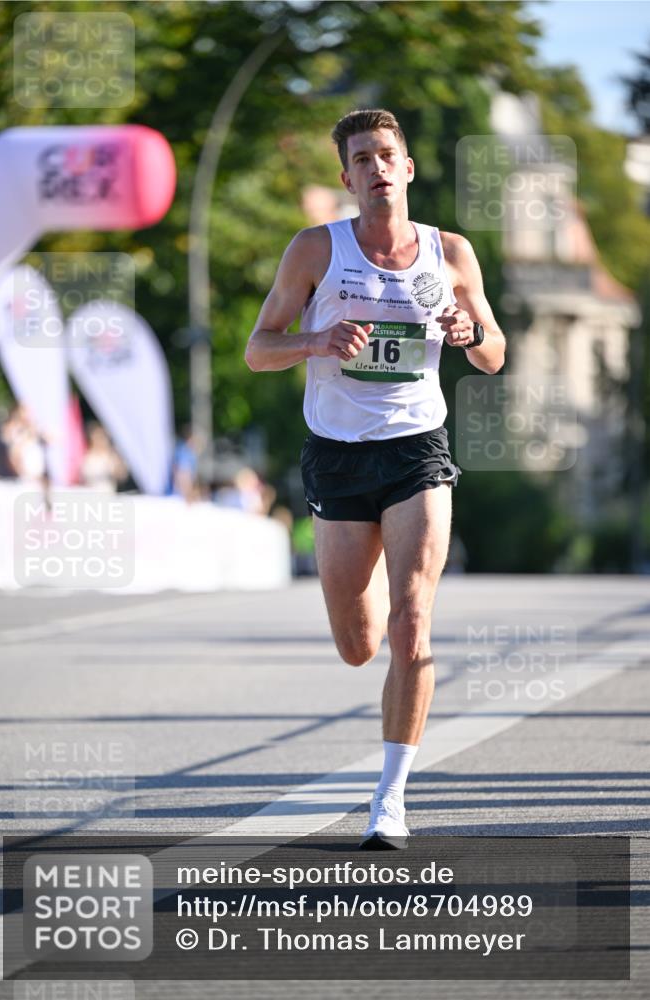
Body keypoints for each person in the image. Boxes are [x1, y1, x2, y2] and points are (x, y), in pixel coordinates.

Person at [245, 109, 505, 849]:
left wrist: (470, 334)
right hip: (337, 455)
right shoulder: (315, 249)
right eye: (362, 158)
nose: (377, 167)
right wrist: (315, 341)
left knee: (411, 623)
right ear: (347, 177)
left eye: (387, 154)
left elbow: (493, 354)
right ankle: (381, 605)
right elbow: (258, 349)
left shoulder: (450, 252)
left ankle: (389, 799)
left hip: (416, 449)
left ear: (408, 168)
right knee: (358, 644)